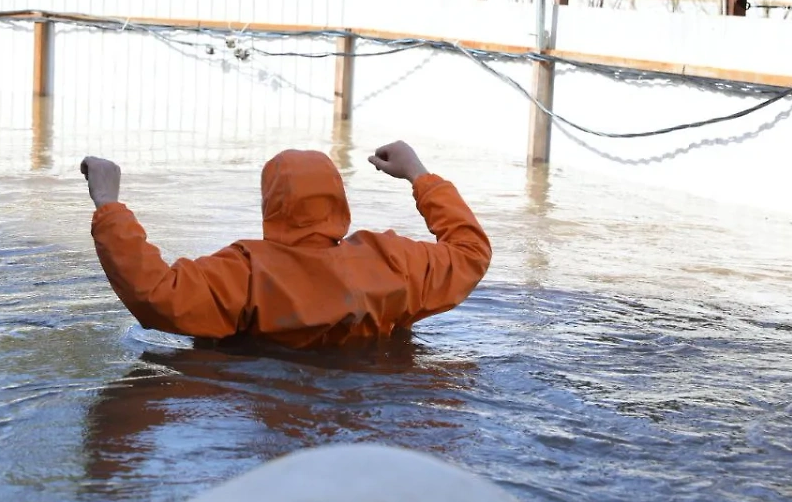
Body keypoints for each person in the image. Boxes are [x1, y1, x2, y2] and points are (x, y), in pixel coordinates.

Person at [80, 141, 491, 349]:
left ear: (270, 203)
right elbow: (470, 252)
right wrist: (418, 174)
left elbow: (155, 294)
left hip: (271, 395)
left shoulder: (244, 272)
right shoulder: (393, 261)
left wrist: (109, 204)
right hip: (372, 398)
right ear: (338, 199)